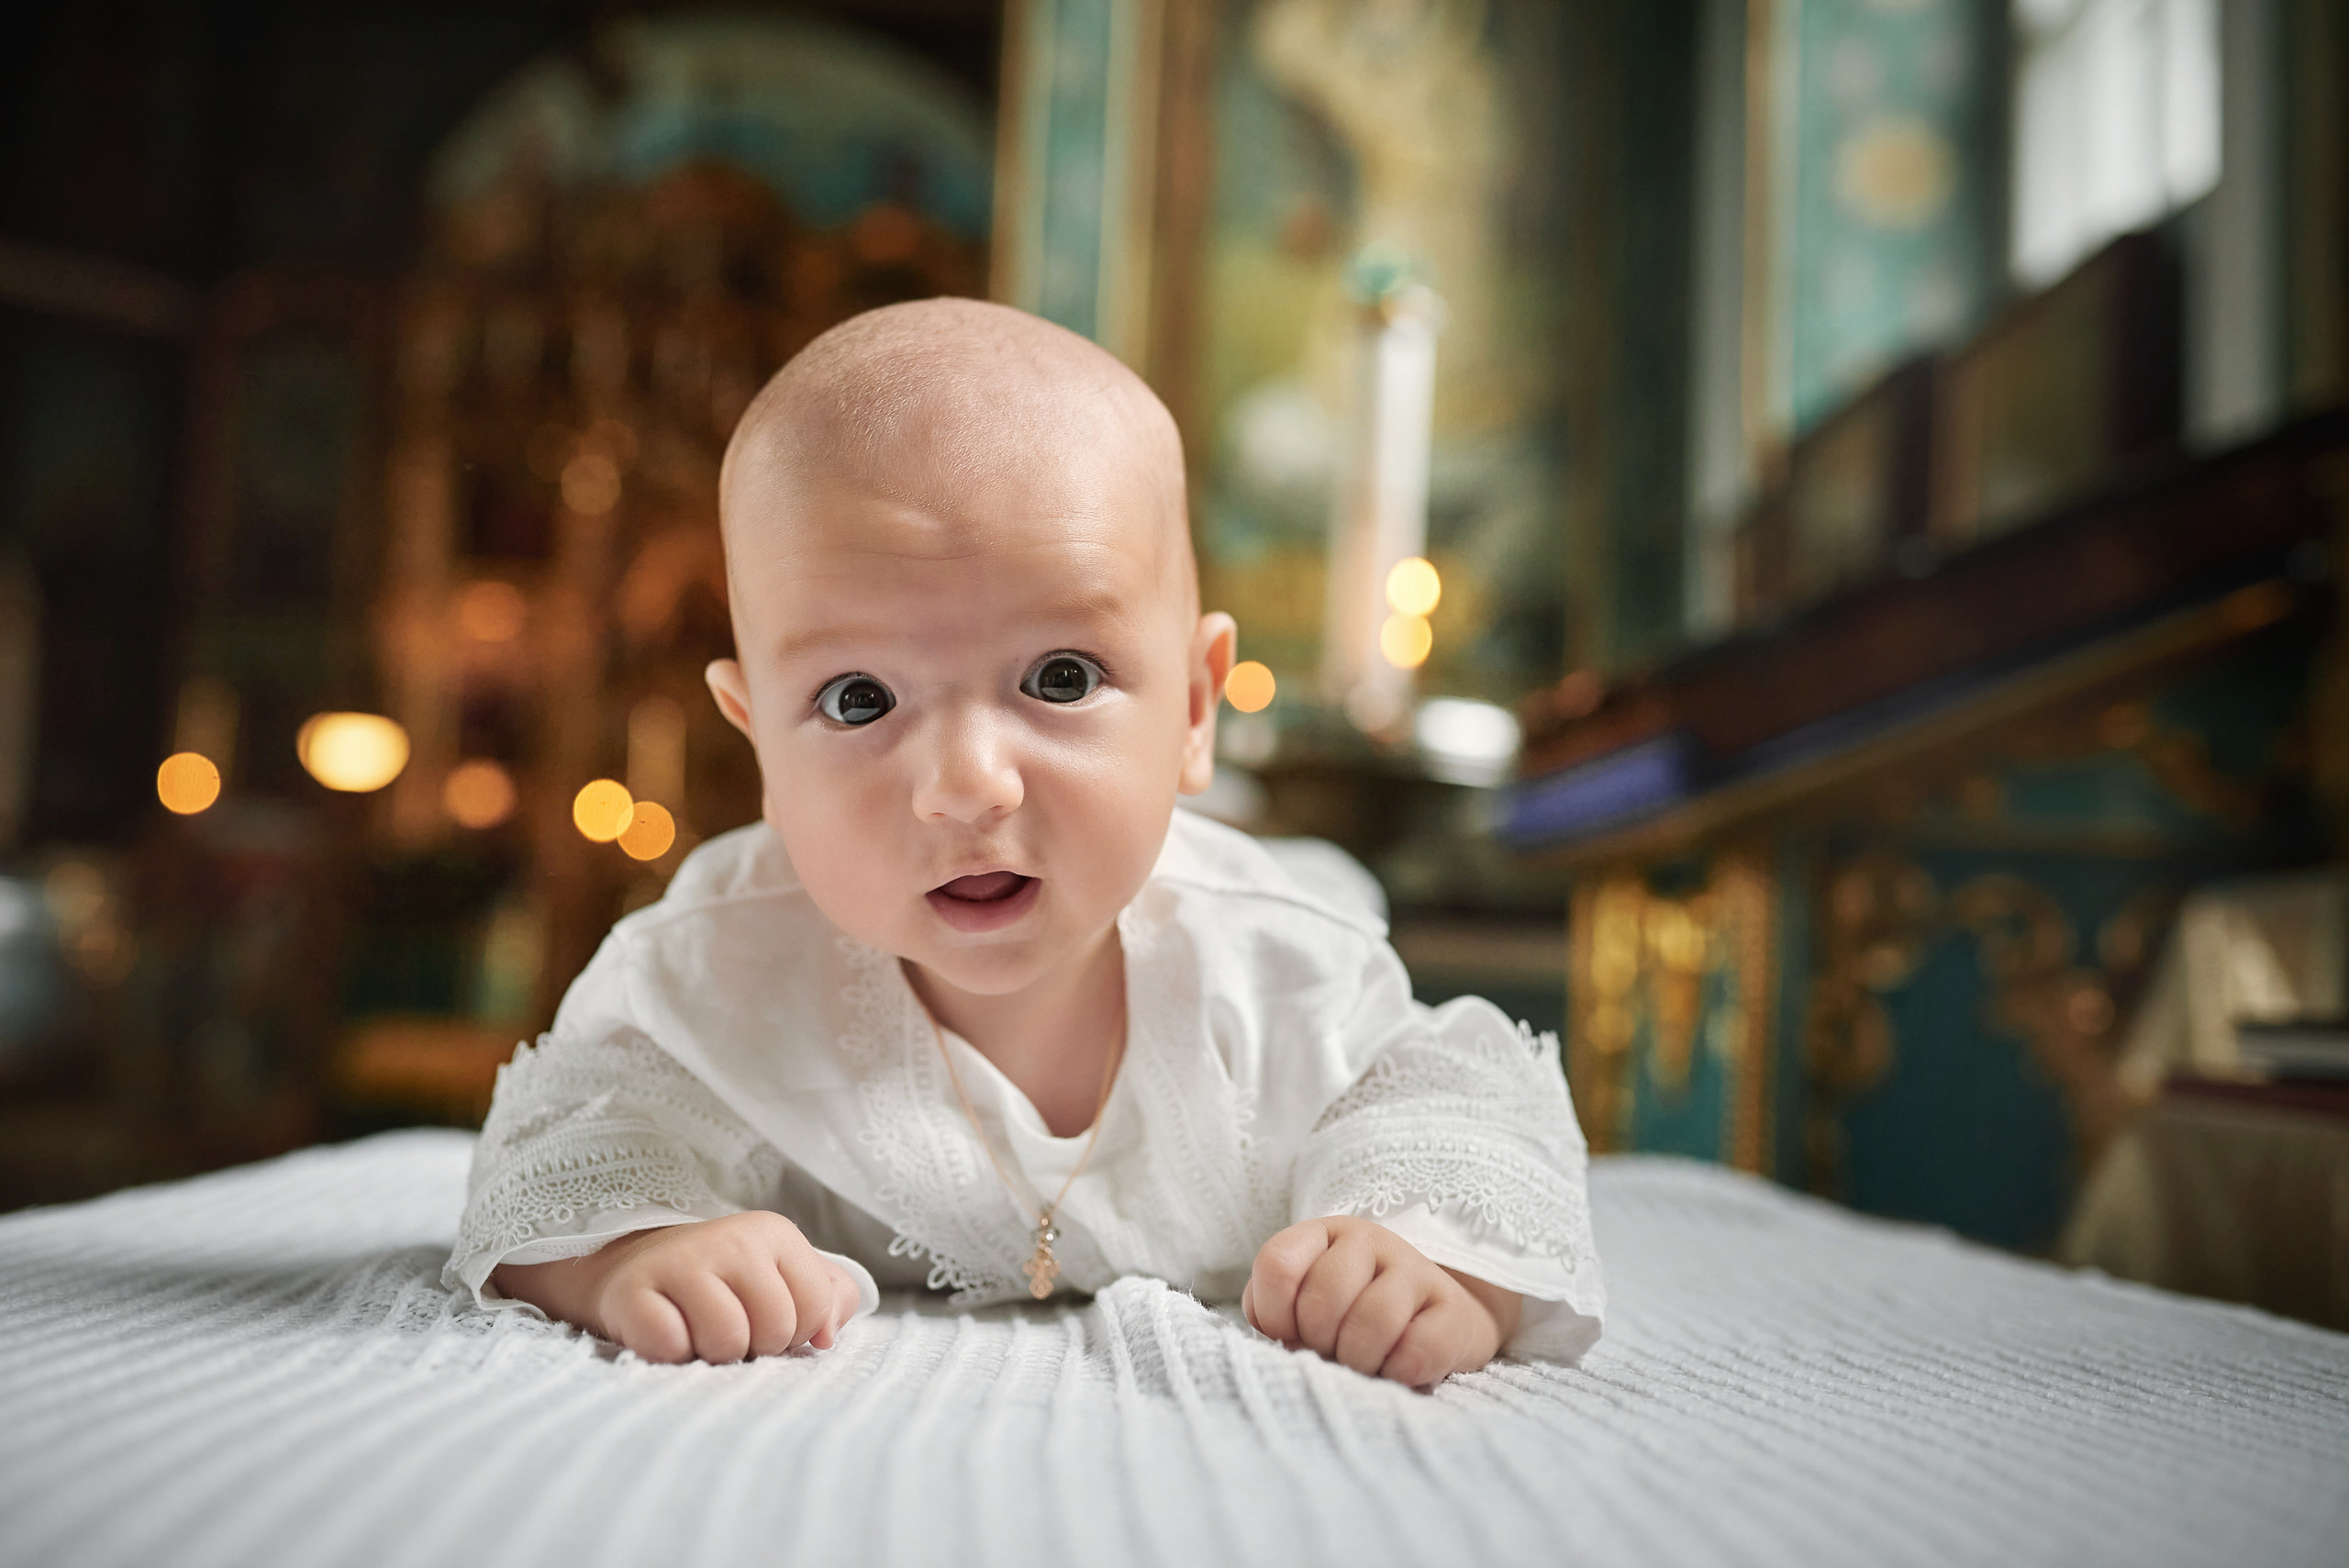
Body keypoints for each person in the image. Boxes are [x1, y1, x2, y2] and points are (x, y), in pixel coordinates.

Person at [446, 298, 1603, 1385]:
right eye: (857, 699)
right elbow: (564, 1146)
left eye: (1059, 677)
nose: (965, 786)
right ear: (758, 743)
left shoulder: (1269, 959)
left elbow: (1452, 1107)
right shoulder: (720, 965)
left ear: (1195, 712)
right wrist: (632, 1248)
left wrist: (1428, 1259)